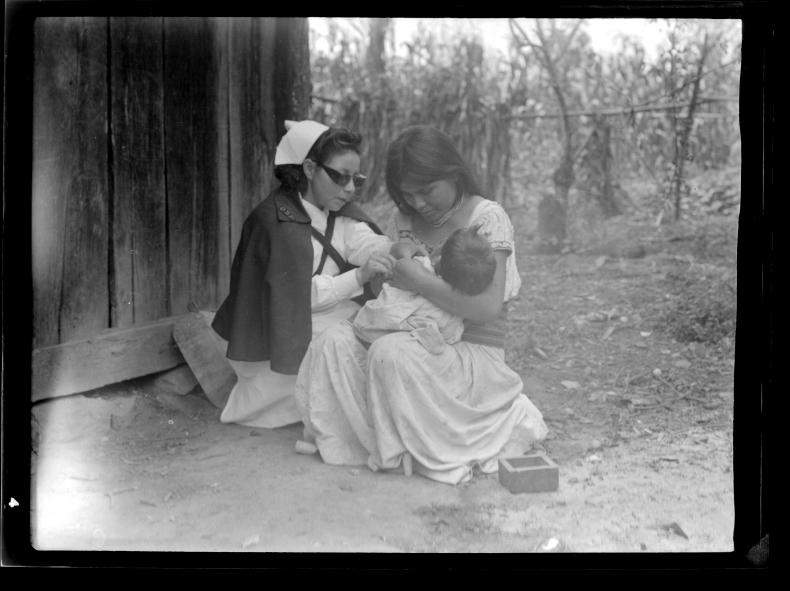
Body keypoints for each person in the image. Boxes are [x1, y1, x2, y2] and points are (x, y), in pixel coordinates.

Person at [294, 125, 548, 485]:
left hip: (469, 351)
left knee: (390, 353)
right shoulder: (405, 219)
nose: (418, 203)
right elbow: (397, 288)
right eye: (408, 195)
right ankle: (366, 443)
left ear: (452, 172)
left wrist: (419, 281)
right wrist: (389, 275)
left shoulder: (487, 218)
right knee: (333, 342)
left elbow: (487, 307)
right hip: (412, 332)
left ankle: (419, 446)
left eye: (427, 191)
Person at [211, 120, 395, 428]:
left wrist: (394, 250)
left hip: (318, 320)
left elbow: (363, 240)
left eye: (356, 180)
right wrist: (360, 277)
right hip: (272, 341)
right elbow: (296, 300)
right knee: (352, 345)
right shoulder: (272, 223)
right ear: (309, 168)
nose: (349, 189)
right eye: (340, 177)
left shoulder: (335, 211)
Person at [352, 226, 496, 354]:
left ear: (439, 256)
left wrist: (409, 253)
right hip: (412, 343)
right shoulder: (454, 302)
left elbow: (398, 250)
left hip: (372, 328)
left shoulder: (419, 267)